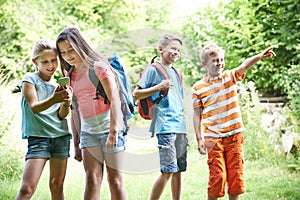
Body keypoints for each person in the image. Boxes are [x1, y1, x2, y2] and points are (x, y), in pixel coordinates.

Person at [192, 43, 275, 200]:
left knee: (236, 176)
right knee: (217, 176)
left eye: (221, 59)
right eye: (215, 60)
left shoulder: (229, 77)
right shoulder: (198, 88)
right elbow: (197, 115)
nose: (219, 63)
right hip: (213, 138)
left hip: (234, 135)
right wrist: (199, 138)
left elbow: (244, 66)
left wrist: (259, 56)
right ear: (205, 63)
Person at [56, 27, 126, 200]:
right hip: (89, 133)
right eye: (63, 52)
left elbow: (115, 100)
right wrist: (77, 143)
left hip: (110, 129)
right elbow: (74, 111)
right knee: (92, 179)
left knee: (115, 181)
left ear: (80, 45)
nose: (68, 56)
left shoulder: (99, 67)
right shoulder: (69, 74)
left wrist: (113, 131)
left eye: (71, 50)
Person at [133, 34, 188, 200]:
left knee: (178, 170)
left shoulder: (177, 74)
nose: (175, 52)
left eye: (178, 50)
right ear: (161, 49)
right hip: (165, 126)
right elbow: (136, 94)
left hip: (180, 126)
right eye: (172, 48)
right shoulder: (153, 70)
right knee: (168, 170)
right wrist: (159, 86)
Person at [16, 40, 72, 200]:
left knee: (57, 186)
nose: (51, 65)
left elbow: (61, 115)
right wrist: (55, 99)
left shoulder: (57, 84)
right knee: (27, 188)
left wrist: (67, 101)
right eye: (45, 61)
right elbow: (34, 106)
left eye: (54, 60)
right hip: (39, 139)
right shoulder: (29, 79)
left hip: (60, 138)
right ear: (35, 62)